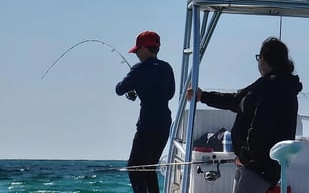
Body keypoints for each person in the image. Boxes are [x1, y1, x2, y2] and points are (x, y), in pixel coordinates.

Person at [187, 37, 302, 193]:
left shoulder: (271, 87)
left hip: (257, 166)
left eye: (258, 57)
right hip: (258, 165)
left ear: (263, 59)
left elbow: (261, 129)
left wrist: (245, 157)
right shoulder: (274, 85)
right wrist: (204, 96)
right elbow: (237, 100)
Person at [116, 31, 175, 193]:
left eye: (136, 51)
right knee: (149, 168)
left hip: (147, 126)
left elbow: (120, 89)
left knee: (134, 168)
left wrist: (136, 87)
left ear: (143, 49)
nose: (136, 54)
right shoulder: (167, 68)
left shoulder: (138, 69)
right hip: (164, 125)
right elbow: (170, 93)